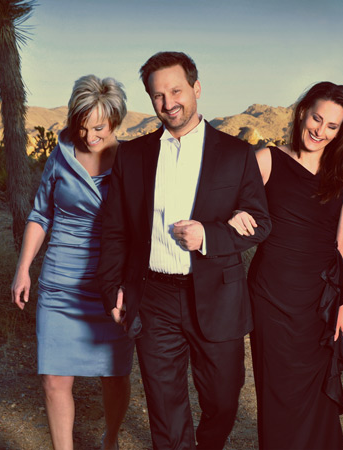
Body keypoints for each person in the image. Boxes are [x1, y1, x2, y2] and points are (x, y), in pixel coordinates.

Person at [96, 51, 271, 450]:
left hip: (217, 296)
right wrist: (112, 288)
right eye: (158, 95)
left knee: (223, 401)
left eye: (176, 90)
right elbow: (115, 229)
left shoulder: (236, 154)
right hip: (153, 297)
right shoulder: (133, 156)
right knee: (165, 407)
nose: (168, 102)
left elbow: (260, 222)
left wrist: (208, 235)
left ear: (196, 88)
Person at [229, 81, 343, 449]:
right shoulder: (267, 159)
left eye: (332, 126)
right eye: (317, 119)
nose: (320, 131)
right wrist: (236, 213)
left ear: (341, 131)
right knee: (277, 393)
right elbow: (228, 204)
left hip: (320, 300)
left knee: (317, 395)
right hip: (270, 296)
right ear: (303, 112)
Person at [11, 75, 134, 450]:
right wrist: (23, 268)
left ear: (115, 120)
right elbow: (40, 214)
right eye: (81, 126)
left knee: (114, 375)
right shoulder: (61, 154)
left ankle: (110, 439)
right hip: (59, 283)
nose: (88, 136)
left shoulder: (131, 160)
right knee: (54, 379)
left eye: (98, 127)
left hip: (111, 285)